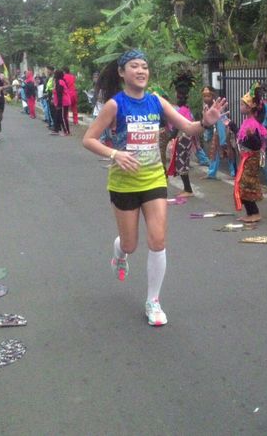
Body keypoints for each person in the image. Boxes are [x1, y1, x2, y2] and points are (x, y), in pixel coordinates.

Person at [82, 50, 226, 327]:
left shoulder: (156, 102)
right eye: (134, 66)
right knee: (130, 244)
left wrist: (206, 121)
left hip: (154, 180)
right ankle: (120, 253)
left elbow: (187, 127)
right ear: (123, 72)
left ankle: (153, 301)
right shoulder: (115, 105)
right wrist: (115, 155)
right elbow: (89, 139)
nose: (141, 71)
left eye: (145, 67)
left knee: (158, 240)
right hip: (123, 183)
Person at [232, 83, 267, 223]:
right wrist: (231, 125)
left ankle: (255, 213)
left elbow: (257, 144)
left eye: (242, 104)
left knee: (246, 184)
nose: (240, 107)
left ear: (249, 107)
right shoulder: (247, 121)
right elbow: (241, 138)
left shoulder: (254, 124)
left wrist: (252, 136)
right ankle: (250, 212)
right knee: (242, 184)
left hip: (252, 158)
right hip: (246, 157)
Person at [52, 69, 71, 136]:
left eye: (55, 74)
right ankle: (57, 129)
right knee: (59, 116)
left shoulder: (60, 82)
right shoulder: (59, 81)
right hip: (61, 102)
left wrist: (59, 104)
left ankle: (67, 131)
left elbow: (59, 94)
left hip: (63, 102)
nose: (54, 75)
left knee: (63, 117)